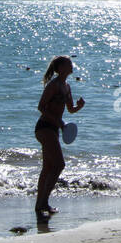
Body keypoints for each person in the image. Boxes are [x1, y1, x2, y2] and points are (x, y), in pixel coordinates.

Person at [35, 55, 84, 218]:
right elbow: (41, 107)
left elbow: (70, 109)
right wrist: (59, 122)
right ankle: (44, 202)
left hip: (55, 129)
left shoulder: (67, 86)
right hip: (44, 127)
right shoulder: (53, 85)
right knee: (59, 165)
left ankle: (39, 204)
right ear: (61, 68)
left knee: (48, 167)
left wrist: (80, 106)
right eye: (69, 63)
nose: (72, 65)